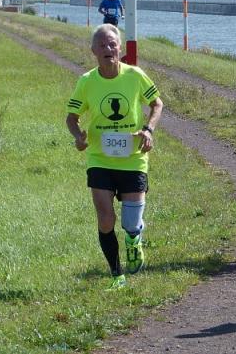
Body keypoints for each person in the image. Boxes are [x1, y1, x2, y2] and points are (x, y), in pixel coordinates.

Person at [66, 23, 163, 291]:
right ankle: (116, 273)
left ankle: (134, 239)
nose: (108, 49)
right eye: (102, 45)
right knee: (106, 218)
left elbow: (156, 103)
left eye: (112, 44)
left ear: (119, 48)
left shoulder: (135, 75)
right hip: (100, 158)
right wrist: (78, 136)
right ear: (93, 51)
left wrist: (148, 129)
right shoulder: (87, 81)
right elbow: (71, 117)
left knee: (131, 223)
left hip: (133, 158)